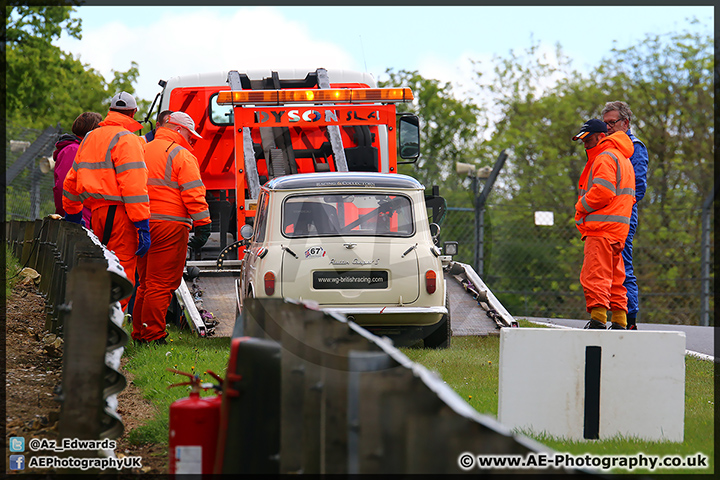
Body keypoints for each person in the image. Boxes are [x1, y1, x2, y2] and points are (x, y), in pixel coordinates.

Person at [62, 92, 151, 311]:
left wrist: (73, 215)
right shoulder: (126, 139)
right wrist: (142, 224)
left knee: (102, 268)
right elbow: (134, 185)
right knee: (122, 272)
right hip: (121, 215)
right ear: (133, 113)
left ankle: (95, 322)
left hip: (97, 214)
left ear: (110, 111)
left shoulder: (90, 138)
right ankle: (109, 332)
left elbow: (71, 181)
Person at [132, 111, 211, 345]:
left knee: (145, 283)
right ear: (178, 129)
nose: (192, 139)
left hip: (141, 223)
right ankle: (154, 336)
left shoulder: (141, 149)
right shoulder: (181, 155)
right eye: (190, 134)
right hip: (170, 225)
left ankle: (140, 333)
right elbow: (194, 193)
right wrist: (203, 225)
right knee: (161, 284)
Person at [572, 119, 635, 330]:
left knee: (595, 273)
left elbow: (603, 192)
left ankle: (598, 319)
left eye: (589, 140)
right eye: (583, 141)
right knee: (616, 277)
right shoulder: (623, 158)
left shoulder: (605, 157)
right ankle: (619, 320)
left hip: (601, 229)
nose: (586, 145)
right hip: (618, 231)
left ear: (602, 136)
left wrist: (581, 205)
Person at [601, 101, 648, 330]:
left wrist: (617, 207)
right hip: (605, 216)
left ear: (625, 123)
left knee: (622, 265)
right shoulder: (607, 147)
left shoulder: (635, 147)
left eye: (613, 123)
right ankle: (608, 315)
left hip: (623, 216)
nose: (608, 127)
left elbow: (637, 188)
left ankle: (629, 320)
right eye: (606, 123)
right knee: (602, 267)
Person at [52, 112, 103, 226]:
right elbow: (63, 186)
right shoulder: (73, 150)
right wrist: (70, 216)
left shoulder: (78, 148)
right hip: (76, 218)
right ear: (92, 130)